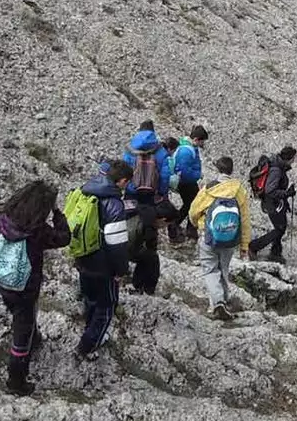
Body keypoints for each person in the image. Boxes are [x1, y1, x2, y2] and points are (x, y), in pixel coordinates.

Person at [0, 180, 70, 396]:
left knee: (21, 317)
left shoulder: (2, 220)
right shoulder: (38, 232)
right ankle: (16, 382)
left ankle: (34, 337)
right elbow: (64, 238)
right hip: (24, 289)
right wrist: (57, 213)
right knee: (22, 329)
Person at [69, 160, 134, 361]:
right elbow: (117, 245)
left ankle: (89, 329)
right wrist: (121, 270)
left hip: (82, 255)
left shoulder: (87, 190)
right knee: (107, 305)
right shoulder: (114, 204)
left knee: (90, 297)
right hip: (102, 263)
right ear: (122, 181)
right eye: (127, 182)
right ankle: (87, 346)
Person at [189, 156, 250, 320]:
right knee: (223, 270)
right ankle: (222, 302)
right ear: (231, 171)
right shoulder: (239, 191)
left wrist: (197, 224)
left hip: (208, 236)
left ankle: (216, 303)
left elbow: (193, 211)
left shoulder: (209, 189)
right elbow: (244, 221)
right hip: (230, 238)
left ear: (217, 169)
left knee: (210, 270)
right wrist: (244, 246)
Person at [124, 129, 169, 293]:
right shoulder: (159, 151)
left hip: (132, 194)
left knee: (130, 225)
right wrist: (161, 193)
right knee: (149, 233)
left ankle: (127, 256)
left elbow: (125, 170)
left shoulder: (130, 148)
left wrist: (129, 188)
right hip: (150, 196)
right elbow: (165, 175)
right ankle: (145, 280)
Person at [247, 145, 297, 264]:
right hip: (272, 203)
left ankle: (276, 252)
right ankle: (254, 247)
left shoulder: (277, 165)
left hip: (274, 202)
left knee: (281, 226)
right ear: (289, 158)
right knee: (279, 228)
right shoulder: (276, 170)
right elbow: (270, 190)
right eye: (294, 158)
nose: (295, 160)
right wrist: (287, 193)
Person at [170, 125, 208, 241]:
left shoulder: (190, 147)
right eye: (202, 141)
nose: (203, 144)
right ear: (196, 139)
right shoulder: (186, 151)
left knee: (191, 204)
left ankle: (185, 227)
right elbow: (184, 172)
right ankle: (180, 226)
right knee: (192, 205)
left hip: (189, 182)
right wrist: (198, 175)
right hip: (186, 182)